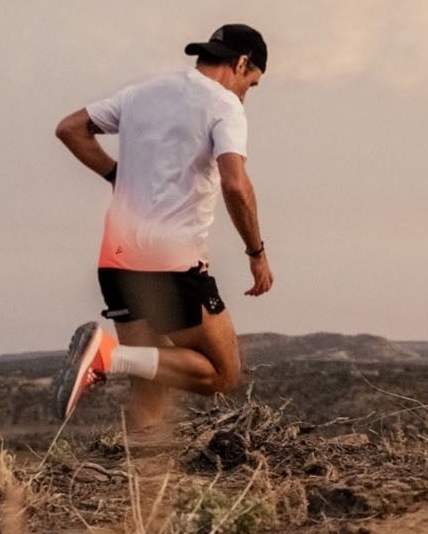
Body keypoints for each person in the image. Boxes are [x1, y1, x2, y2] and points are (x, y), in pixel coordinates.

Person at [51, 22, 273, 429]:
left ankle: (144, 474)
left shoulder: (142, 94)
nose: (246, 94)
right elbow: (236, 186)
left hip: (116, 259)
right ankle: (106, 355)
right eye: (252, 84)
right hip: (171, 262)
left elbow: (70, 129)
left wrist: (114, 174)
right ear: (242, 63)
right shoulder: (224, 106)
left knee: (151, 375)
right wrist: (256, 253)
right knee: (221, 373)